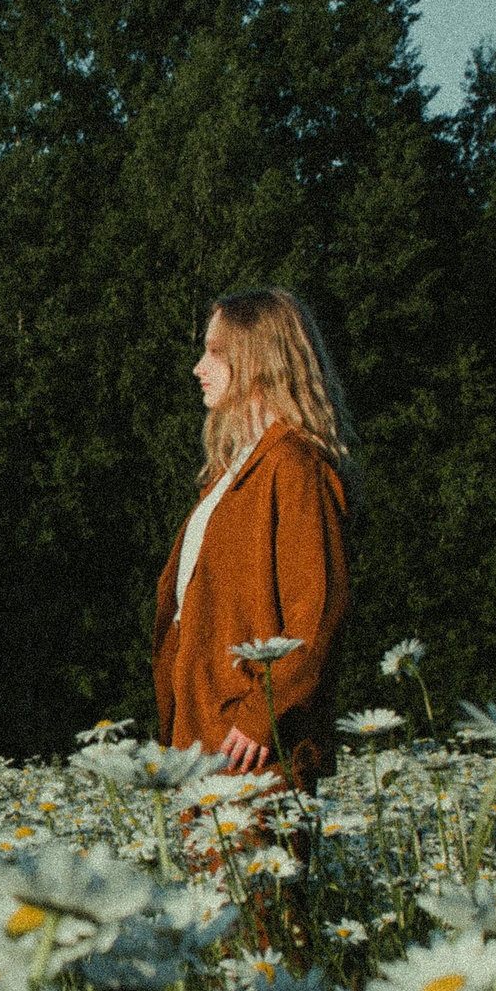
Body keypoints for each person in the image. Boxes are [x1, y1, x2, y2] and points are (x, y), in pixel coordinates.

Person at [152, 287, 355, 795]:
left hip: (253, 753)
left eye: (215, 352)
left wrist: (263, 715)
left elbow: (320, 608)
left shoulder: (294, 465)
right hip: (198, 742)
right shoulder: (226, 476)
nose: (199, 367)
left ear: (260, 358)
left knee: (258, 874)